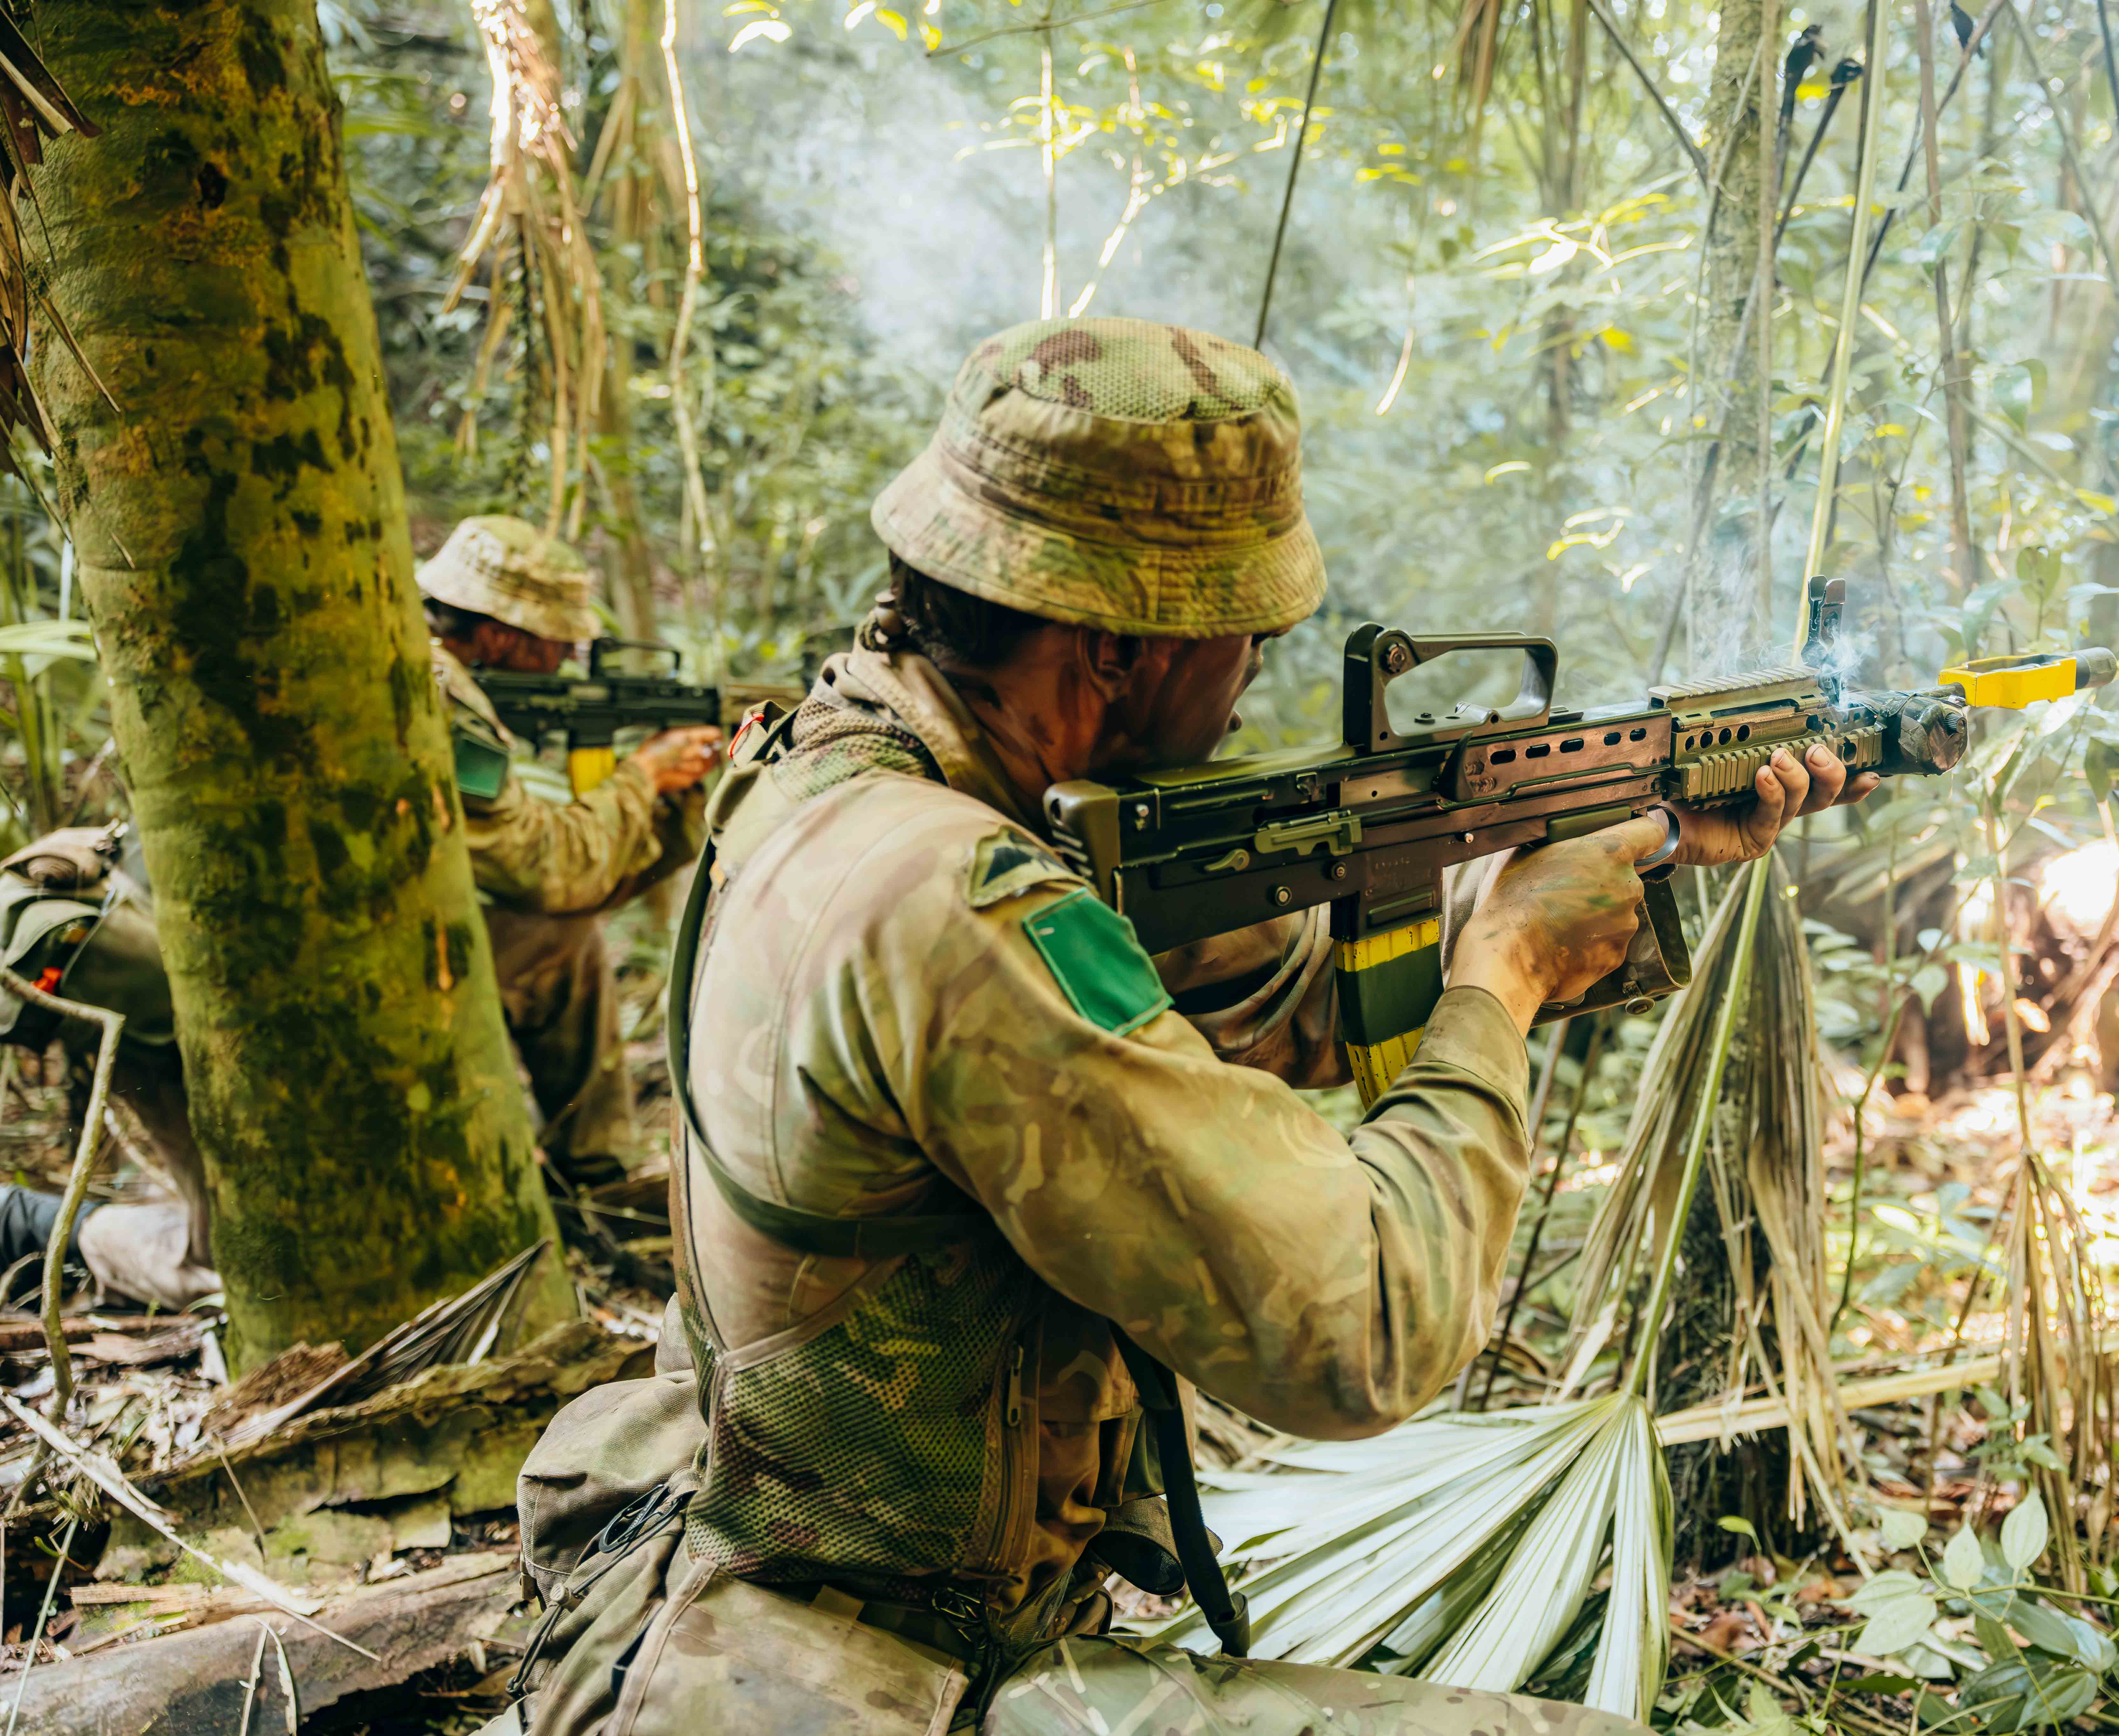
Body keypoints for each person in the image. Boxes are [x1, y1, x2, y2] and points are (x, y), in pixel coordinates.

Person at [502, 318, 1872, 1736]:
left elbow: (1278, 998)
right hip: (848, 1679)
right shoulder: (959, 904)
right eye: (1247, 643)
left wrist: (1622, 844)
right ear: (1115, 648)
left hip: (791, 1577)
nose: (1249, 689)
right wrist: (1504, 981)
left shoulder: (862, 766)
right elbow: (1361, 1335)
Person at [416, 517, 724, 1188]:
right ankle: (599, 1177)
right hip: (380, 950)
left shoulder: (424, 667)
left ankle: (594, 1171)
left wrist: (667, 796)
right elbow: (541, 868)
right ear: (500, 633)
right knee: (567, 940)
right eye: (556, 640)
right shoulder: (440, 693)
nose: (566, 658)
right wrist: (644, 776)